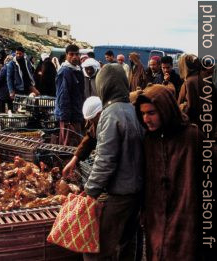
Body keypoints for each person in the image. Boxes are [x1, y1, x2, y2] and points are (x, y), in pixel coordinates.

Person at [135, 85, 217, 261]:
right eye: (143, 113)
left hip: (189, 224)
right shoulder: (148, 141)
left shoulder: (193, 137)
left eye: (151, 112)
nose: (146, 119)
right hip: (159, 224)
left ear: (165, 109)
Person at [83, 64, 144, 261]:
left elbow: (105, 160)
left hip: (119, 194)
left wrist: (90, 191)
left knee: (96, 249)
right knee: (127, 243)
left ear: (103, 85)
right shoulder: (133, 110)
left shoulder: (110, 114)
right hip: (136, 191)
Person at [62, 96, 102, 177]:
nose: (90, 122)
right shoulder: (97, 120)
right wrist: (74, 160)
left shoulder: (112, 123)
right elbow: (90, 139)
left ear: (99, 113)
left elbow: (107, 160)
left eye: (92, 119)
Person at [54, 44, 84, 147]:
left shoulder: (77, 70)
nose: (75, 57)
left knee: (76, 144)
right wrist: (65, 118)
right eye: (71, 54)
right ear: (66, 55)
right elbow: (63, 96)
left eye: (77, 54)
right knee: (68, 146)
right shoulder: (65, 71)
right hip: (69, 117)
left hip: (76, 114)